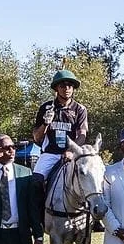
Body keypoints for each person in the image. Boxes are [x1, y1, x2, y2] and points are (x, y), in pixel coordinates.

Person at [31, 69, 89, 226]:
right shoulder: (46, 108)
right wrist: (45, 123)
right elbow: (37, 137)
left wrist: (71, 151)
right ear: (56, 88)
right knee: (35, 182)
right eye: (63, 85)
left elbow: (82, 135)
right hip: (50, 154)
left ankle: (94, 218)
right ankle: (37, 220)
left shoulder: (80, 109)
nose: (67, 88)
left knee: (92, 176)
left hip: (72, 154)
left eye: (70, 85)